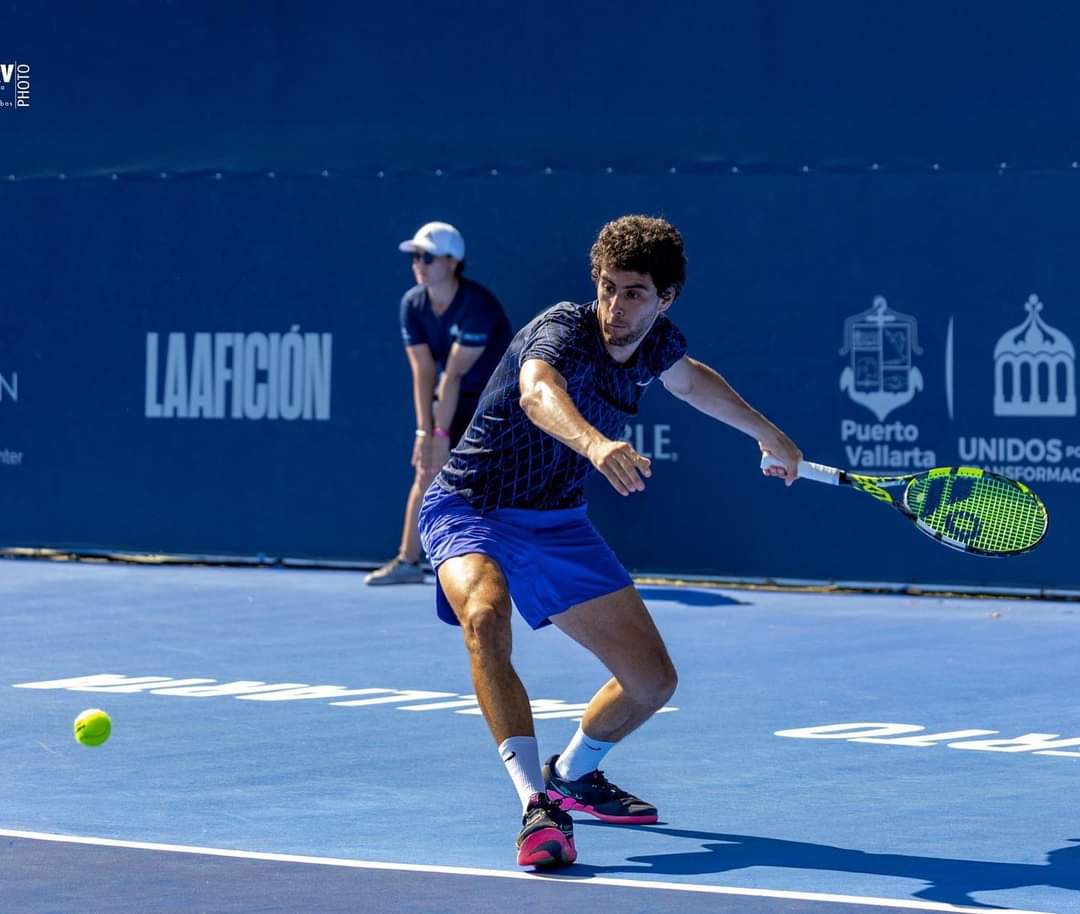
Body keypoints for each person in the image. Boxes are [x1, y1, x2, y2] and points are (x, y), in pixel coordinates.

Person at [417, 214, 803, 867]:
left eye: (633, 293)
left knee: (651, 682)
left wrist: (768, 433)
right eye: (607, 287)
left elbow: (690, 378)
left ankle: (574, 773)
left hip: (556, 521)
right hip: (471, 505)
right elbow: (540, 393)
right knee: (482, 615)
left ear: (664, 299)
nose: (614, 307)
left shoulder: (655, 344)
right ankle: (536, 806)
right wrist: (595, 444)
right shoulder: (563, 330)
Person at [365, 221, 512, 585]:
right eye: (415, 256)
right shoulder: (412, 305)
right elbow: (424, 372)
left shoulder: (478, 306)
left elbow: (454, 375)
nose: (419, 263)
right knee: (427, 468)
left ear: (452, 262)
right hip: (452, 394)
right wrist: (425, 432)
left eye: (427, 257)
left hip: (497, 399)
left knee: (491, 479)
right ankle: (409, 561)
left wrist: (441, 431)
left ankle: (506, 562)